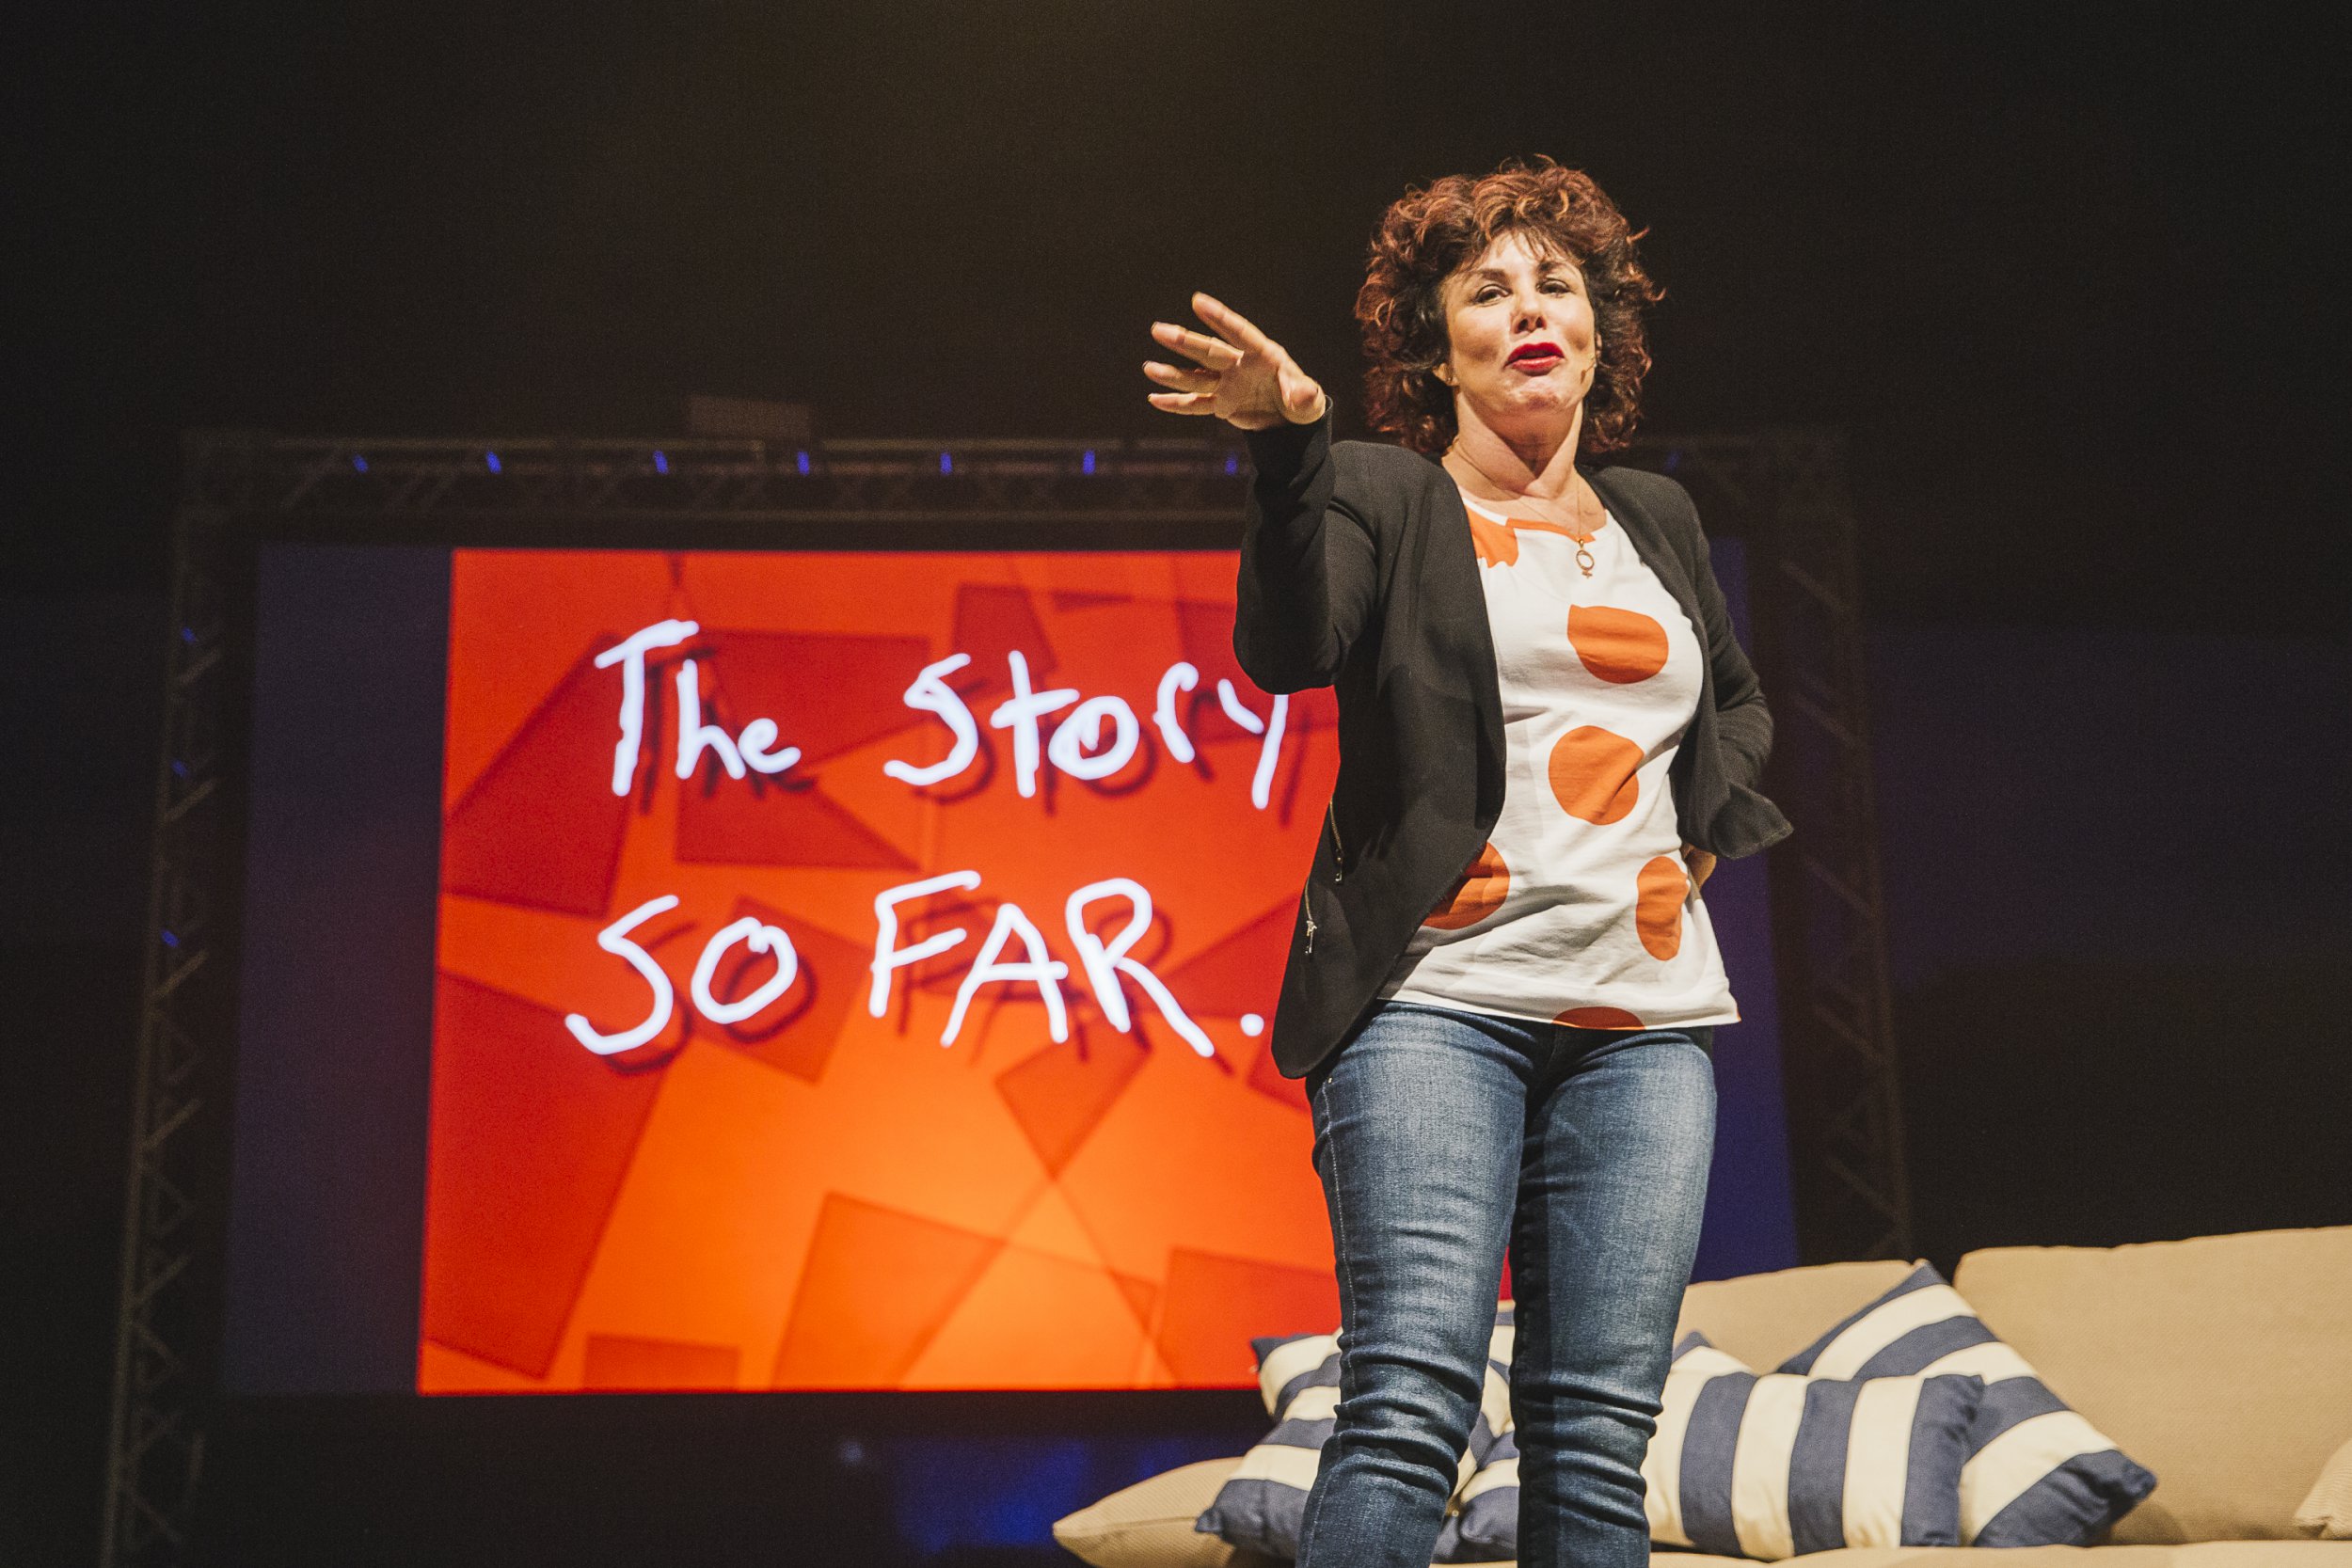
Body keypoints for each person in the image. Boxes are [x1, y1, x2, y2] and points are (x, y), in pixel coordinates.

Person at [1141, 155, 1793, 1568]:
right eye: (1488, 292)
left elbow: (1735, 700)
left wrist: (1695, 827)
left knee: (1598, 1441)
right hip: (1439, 1005)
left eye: (1560, 286)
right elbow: (1286, 650)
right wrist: (1289, 449)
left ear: (1604, 333)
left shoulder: (1656, 521)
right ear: (1437, 347)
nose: (1533, 309)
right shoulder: (1386, 492)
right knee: (1409, 1408)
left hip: (1647, 1023)